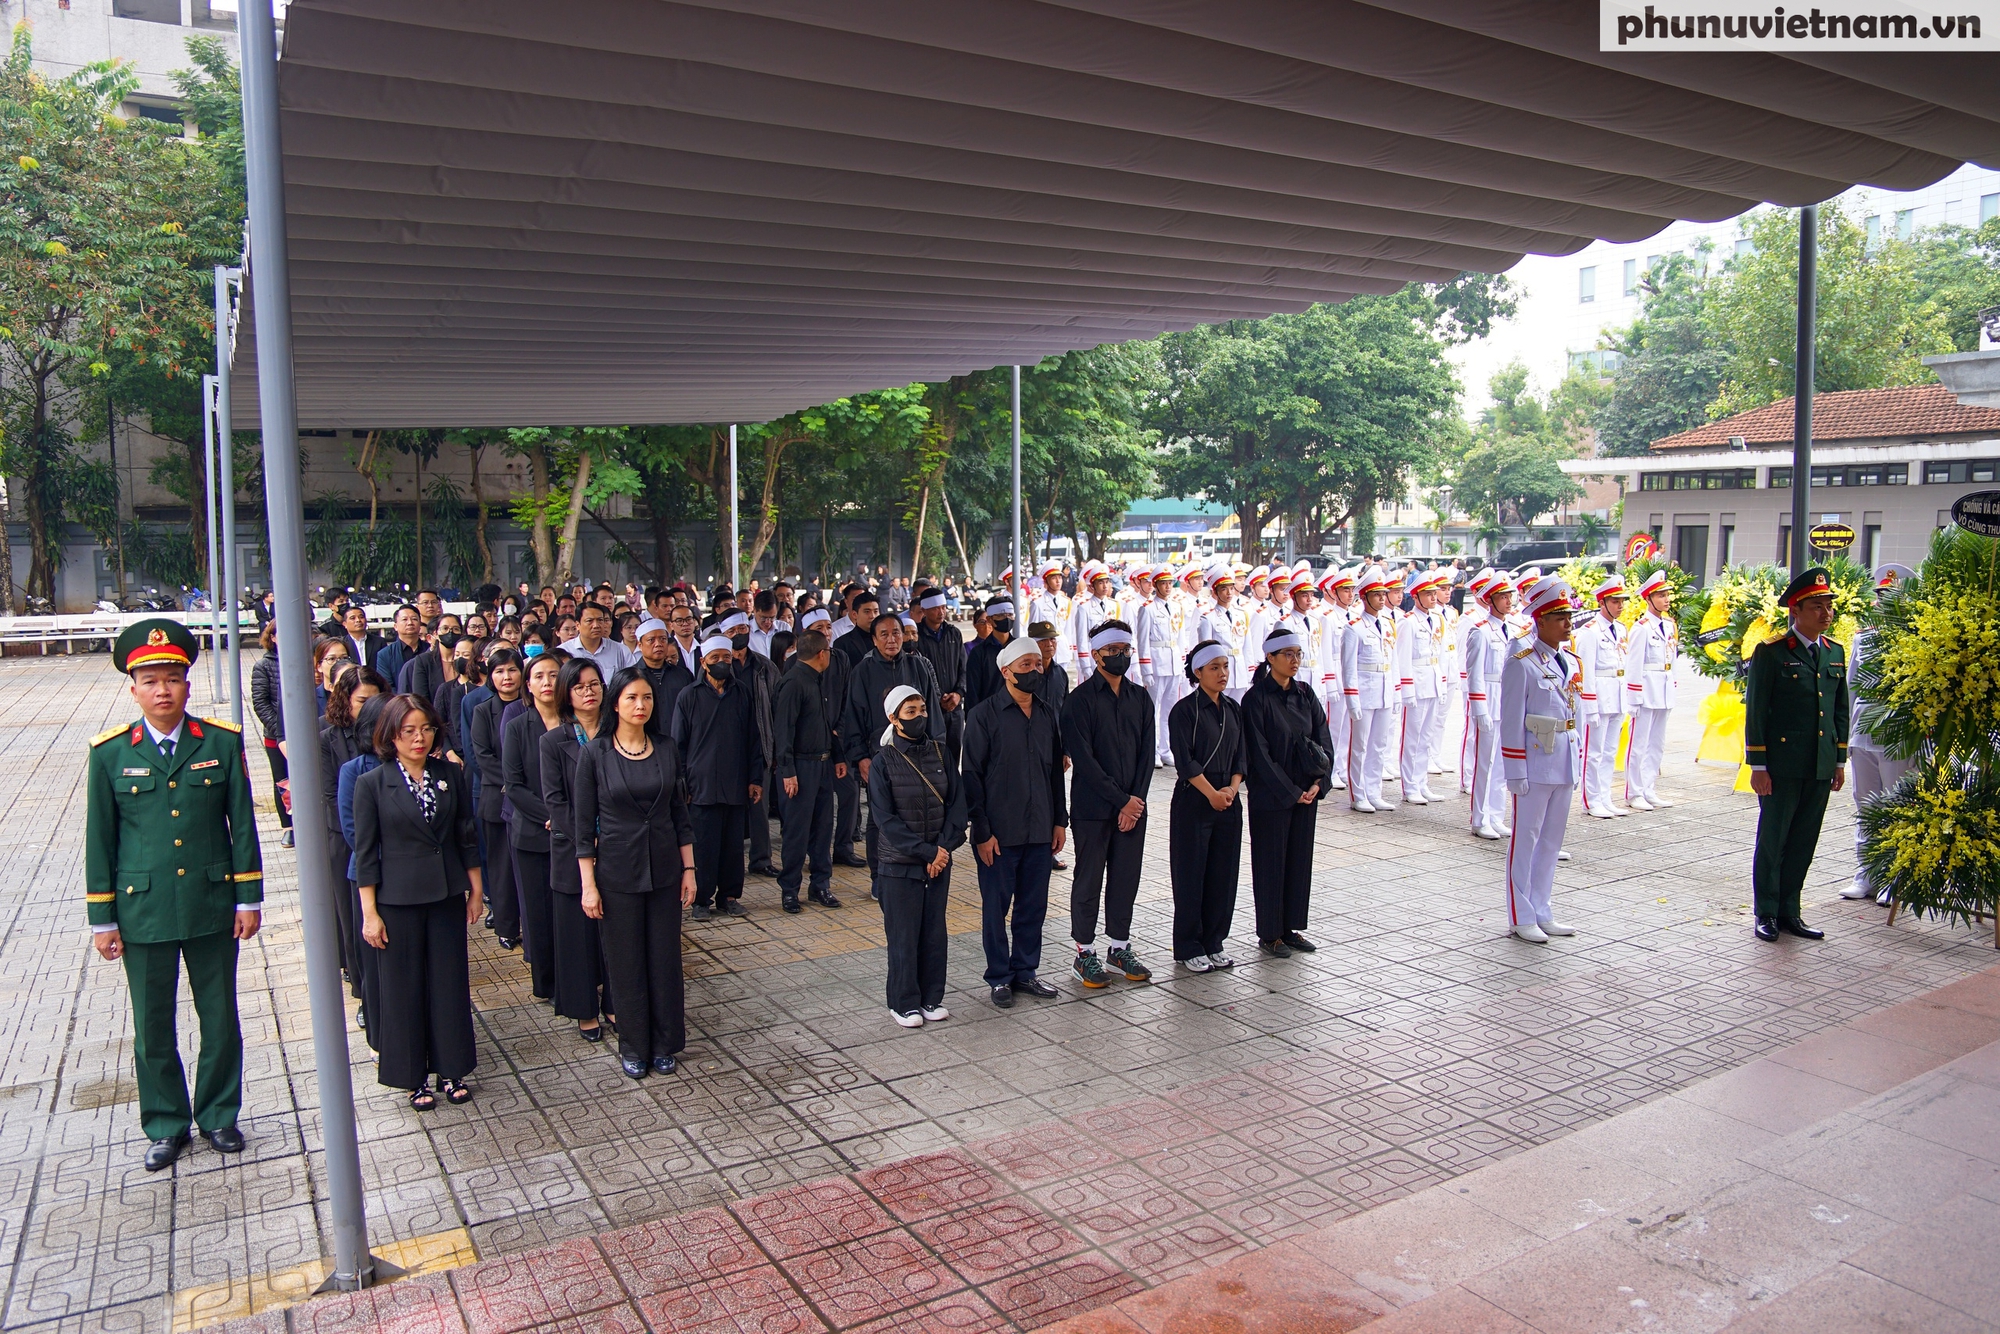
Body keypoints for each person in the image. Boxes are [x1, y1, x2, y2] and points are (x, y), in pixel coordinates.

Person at [85, 620, 263, 1170]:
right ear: (132, 688)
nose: (163, 690)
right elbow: (100, 839)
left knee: (219, 1016)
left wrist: (248, 900)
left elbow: (243, 826)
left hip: (213, 906)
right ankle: (165, 1122)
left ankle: (217, 1115)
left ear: (188, 683)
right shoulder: (110, 754)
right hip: (144, 910)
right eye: (151, 680)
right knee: (152, 1025)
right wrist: (102, 920)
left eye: (174, 678)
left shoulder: (221, 742)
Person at [352, 694, 482, 1110]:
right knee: (402, 987)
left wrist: (475, 888)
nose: (418, 738)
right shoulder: (372, 783)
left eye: (425, 728)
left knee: (448, 982)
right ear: (390, 736)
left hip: (444, 893)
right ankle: (412, 1076)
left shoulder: (449, 774)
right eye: (408, 731)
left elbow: (466, 833)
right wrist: (369, 912)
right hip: (397, 900)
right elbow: (365, 852)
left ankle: (452, 1068)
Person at [576, 668, 695, 1077]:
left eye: (646, 697)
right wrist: (588, 885)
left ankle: (665, 1042)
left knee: (664, 959)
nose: (641, 705)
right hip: (616, 872)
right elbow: (582, 826)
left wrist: (689, 868)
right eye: (631, 698)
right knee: (626, 963)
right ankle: (633, 1044)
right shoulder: (596, 753)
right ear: (615, 704)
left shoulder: (665, 747)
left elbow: (679, 813)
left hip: (664, 868)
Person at [1745, 568, 1849, 943]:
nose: (1826, 613)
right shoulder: (1772, 652)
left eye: (1828, 607)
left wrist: (1838, 762)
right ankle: (1767, 912)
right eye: (1817, 607)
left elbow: (1840, 711)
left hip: (1819, 765)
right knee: (1773, 840)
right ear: (1796, 610)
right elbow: (1756, 712)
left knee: (1805, 840)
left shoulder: (1835, 652)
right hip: (1782, 766)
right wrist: (1758, 765)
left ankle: (1791, 911)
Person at [962, 637, 1067, 1009]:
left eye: (1038, 664)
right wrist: (983, 831)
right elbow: (971, 777)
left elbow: (1055, 771)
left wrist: (1060, 821)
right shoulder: (983, 715)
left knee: (1032, 907)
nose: (1034, 671)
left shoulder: (1047, 712)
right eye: (1025, 665)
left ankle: (1026, 971)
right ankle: (999, 977)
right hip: (999, 833)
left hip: (1040, 829)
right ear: (1006, 672)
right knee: (996, 907)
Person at [1061, 622, 1155, 988]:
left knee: (1125, 878)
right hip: (1093, 808)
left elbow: (1147, 756)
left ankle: (1120, 946)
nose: (1121, 656)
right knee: (1089, 879)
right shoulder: (1078, 701)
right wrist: (1121, 801)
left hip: (1133, 809)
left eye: (1125, 649)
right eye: (1112, 650)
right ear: (1096, 654)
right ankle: (1084, 952)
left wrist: (1136, 802)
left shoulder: (1140, 698)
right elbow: (1084, 760)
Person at [870, 685, 967, 1027]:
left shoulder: (940, 753)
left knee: (933, 932)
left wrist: (944, 848)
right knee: (903, 934)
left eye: (922, 709)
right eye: (910, 712)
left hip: (937, 862)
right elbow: (886, 820)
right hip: (900, 865)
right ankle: (903, 1002)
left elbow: (958, 805)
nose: (919, 716)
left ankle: (931, 998)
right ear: (893, 718)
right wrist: (927, 851)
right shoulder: (883, 762)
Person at [1501, 580, 1584, 945]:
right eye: (1559, 617)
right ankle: (1521, 915)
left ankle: (1542, 908)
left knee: (1551, 841)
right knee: (1526, 840)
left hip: (1563, 761)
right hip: (1535, 764)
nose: (1567, 623)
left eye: (1568, 616)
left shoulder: (1570, 660)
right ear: (1540, 621)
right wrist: (1515, 771)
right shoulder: (1522, 664)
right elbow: (1511, 721)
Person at [1243, 627, 1333, 957]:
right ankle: (1270, 932)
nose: (1295, 661)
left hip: (1305, 793)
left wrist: (1317, 784)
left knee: (1298, 860)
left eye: (1298, 655)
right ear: (1270, 658)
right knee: (1271, 861)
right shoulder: (1256, 699)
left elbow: (1323, 739)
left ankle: (1291, 927)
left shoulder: (1305, 694)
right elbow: (1259, 754)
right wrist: (1290, 790)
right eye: (1288, 655)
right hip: (1273, 797)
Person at [539, 658, 612, 1040]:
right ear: (567, 694)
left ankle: (616, 1002)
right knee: (578, 936)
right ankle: (584, 1008)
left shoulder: (619, 733)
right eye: (579, 686)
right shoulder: (553, 741)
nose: (588, 691)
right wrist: (589, 840)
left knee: (617, 932)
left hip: (620, 847)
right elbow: (555, 802)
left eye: (594, 684)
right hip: (573, 850)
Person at [841, 610, 942, 874]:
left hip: (918, 755)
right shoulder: (862, 671)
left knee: (917, 812)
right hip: (880, 756)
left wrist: (938, 751)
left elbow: (932, 711)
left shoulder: (917, 666)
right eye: (883, 634)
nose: (891, 639)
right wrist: (861, 757)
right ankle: (879, 874)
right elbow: (853, 718)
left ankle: (920, 862)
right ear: (873, 640)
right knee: (880, 817)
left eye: (896, 632)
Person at [672, 631, 765, 918]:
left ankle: (729, 895)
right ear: (703, 662)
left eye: (727, 657)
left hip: (735, 782)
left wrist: (755, 778)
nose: (722, 662)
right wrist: (682, 782)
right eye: (716, 658)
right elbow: (678, 744)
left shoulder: (741, 693)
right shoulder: (689, 695)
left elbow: (753, 738)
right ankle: (701, 900)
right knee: (705, 846)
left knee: (733, 846)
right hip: (701, 785)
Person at [1167, 640, 1246, 971]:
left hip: (1228, 800)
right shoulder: (1184, 711)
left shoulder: (1233, 708)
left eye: (1225, 666)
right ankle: (1188, 946)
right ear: (1197, 672)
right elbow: (1185, 761)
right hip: (1195, 799)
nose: (1222, 673)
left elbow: (1242, 756)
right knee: (1191, 875)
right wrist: (1212, 793)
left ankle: (1214, 941)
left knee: (1223, 875)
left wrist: (1231, 788)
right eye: (1214, 668)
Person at [1842, 564, 1916, 905]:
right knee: (1866, 803)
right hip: (1863, 728)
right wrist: (1845, 736)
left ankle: (1895, 876)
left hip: (1898, 730)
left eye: (1893, 597)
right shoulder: (1864, 637)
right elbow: (1852, 688)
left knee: (1896, 803)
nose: (1885, 602)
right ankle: (1867, 872)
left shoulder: (1917, 637)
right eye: (1882, 596)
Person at [321, 665, 389, 1000]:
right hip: (346, 841)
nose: (371, 709)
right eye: (362, 701)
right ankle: (360, 987)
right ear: (345, 700)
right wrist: (363, 845)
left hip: (390, 845)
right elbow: (333, 797)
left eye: (377, 701)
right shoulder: (327, 738)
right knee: (352, 919)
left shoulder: (391, 740)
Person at [503, 651, 566, 999]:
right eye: (539, 676)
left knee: (569, 914)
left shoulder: (576, 724)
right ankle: (547, 983)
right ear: (528, 684)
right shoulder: (516, 726)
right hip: (532, 833)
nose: (547, 683)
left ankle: (577, 977)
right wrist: (551, 815)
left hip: (573, 834)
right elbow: (513, 785)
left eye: (554, 675)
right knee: (539, 915)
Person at [771, 629, 843, 912]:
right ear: (822, 654)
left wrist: (837, 758)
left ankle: (820, 885)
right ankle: (789, 890)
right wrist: (788, 771)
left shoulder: (817, 680)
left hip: (823, 764)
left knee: (823, 829)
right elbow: (783, 731)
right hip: (800, 768)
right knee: (797, 832)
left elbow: (826, 726)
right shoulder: (793, 683)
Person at [470, 648, 524, 949]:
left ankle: (529, 923)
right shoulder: (482, 711)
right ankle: (506, 925)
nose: (507, 676)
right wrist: (512, 783)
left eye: (512, 670)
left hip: (530, 800)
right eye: (500, 671)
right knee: (501, 867)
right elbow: (482, 758)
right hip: (497, 798)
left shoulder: (531, 708)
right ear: (491, 675)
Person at [1341, 567, 1401, 812]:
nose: (1382, 599)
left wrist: (1396, 693)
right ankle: (1358, 794)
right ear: (1364, 597)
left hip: (1384, 691)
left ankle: (1374, 791)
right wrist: (1352, 700)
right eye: (1376, 595)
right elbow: (1348, 667)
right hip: (1365, 692)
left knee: (1379, 744)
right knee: (1360, 745)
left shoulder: (1387, 624)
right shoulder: (1353, 627)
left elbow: (1393, 660)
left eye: (1383, 594)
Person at [1574, 576, 1632, 819]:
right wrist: (1589, 706)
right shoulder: (1590, 632)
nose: (1620, 606)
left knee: (1609, 752)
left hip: (1616, 695)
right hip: (1598, 695)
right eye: (1615, 601)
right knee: (1593, 752)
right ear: (1602, 602)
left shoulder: (1621, 629)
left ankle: (1605, 796)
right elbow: (1584, 669)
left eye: (1622, 601)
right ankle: (1591, 799)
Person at [1463, 574, 1514, 841]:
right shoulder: (1480, 631)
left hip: (1506, 701)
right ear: (1490, 600)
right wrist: (1479, 708)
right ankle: (1480, 817)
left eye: (1509, 597)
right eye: (1502, 597)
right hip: (1489, 699)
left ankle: (1496, 814)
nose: (1508, 602)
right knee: (1485, 762)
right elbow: (1476, 673)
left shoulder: (1512, 630)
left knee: (1502, 765)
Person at [1623, 570, 1679, 810]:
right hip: (1646, 691)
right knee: (1639, 744)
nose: (1666, 599)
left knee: (1657, 743)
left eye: (1667, 595)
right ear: (1648, 598)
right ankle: (1634, 792)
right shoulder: (1641, 628)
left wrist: (1673, 687)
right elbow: (1633, 665)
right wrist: (1634, 698)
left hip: (1663, 689)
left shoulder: (1669, 625)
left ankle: (1648, 788)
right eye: (1660, 595)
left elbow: (1672, 659)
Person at [1395, 569, 1448, 805]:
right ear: (1416, 596)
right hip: (1417, 682)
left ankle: (1422, 782)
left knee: (1427, 736)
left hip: (1433, 680)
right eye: (1427, 594)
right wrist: (1406, 689)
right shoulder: (1408, 622)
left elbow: (1442, 653)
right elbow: (1403, 656)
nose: (1433, 597)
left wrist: (1443, 683)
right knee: (1413, 737)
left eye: (1434, 593)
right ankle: (1410, 786)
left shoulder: (1438, 618)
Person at [249, 622, 293, 848]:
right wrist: (281, 732)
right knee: (283, 781)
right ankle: (288, 827)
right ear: (272, 638)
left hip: (303, 732)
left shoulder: (304, 658)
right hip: (276, 735)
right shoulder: (263, 666)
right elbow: (260, 702)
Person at [909, 588, 967, 758]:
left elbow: (963, 668)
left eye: (943, 607)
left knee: (954, 754)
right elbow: (917, 673)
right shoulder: (917, 636)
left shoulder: (953, 633)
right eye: (935, 608)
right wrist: (937, 698)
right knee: (932, 756)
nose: (941, 612)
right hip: (930, 709)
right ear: (924, 610)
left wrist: (958, 693)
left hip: (955, 708)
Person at [1137, 570, 1185, 767]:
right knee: (1153, 710)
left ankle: (1166, 749)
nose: (1167, 587)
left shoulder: (1176, 607)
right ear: (1155, 585)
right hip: (1157, 663)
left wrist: (1182, 664)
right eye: (1163, 583)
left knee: (1170, 710)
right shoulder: (1147, 609)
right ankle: (1153, 750)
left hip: (1173, 662)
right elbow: (1142, 640)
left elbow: (1180, 637)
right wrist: (1145, 668)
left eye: (1170, 583)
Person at [634, 617, 695, 740]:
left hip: (680, 744)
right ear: (640, 645)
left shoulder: (683, 675)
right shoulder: (631, 677)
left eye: (663, 639)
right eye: (651, 640)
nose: (658, 644)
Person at [1197, 567, 1251, 699]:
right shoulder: (1208, 617)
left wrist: (1250, 671)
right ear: (1215, 591)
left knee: (1238, 710)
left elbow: (1247, 647)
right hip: (1220, 671)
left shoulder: (1241, 614)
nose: (1229, 593)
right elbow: (1207, 651)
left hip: (1239, 670)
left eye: (1231, 588)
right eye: (1224, 589)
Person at [1067, 563, 1121, 686]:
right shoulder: (1084, 607)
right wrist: (1085, 665)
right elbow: (1081, 638)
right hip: (1093, 658)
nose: (1105, 586)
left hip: (1111, 656)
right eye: (1101, 582)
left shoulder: (1114, 605)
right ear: (1092, 585)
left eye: (1107, 582)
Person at [561, 601, 639, 681]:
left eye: (600, 620)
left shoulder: (621, 650)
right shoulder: (564, 651)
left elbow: (632, 681)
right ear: (577, 625)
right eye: (589, 621)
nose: (596, 625)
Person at [1028, 561, 1074, 688]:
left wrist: (1069, 650)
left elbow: (1068, 628)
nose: (1058, 581)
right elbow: (1033, 631)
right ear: (1046, 581)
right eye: (1053, 578)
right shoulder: (1037, 602)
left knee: (1060, 686)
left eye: (1060, 577)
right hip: (1045, 650)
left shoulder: (1066, 601)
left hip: (1062, 650)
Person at [964, 596, 1016, 708]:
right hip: (988, 716)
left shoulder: (1020, 649)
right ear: (989, 620)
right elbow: (972, 693)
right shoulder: (978, 653)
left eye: (1010, 615)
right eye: (1001, 615)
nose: (1007, 619)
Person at [374, 604, 427, 688]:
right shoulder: (385, 654)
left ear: (420, 625)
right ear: (395, 626)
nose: (410, 623)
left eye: (414, 619)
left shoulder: (431, 649)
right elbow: (387, 686)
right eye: (404, 619)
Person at [339, 604, 387, 671]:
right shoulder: (341, 644)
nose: (358, 620)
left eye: (361, 617)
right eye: (353, 618)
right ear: (345, 624)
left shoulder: (379, 642)